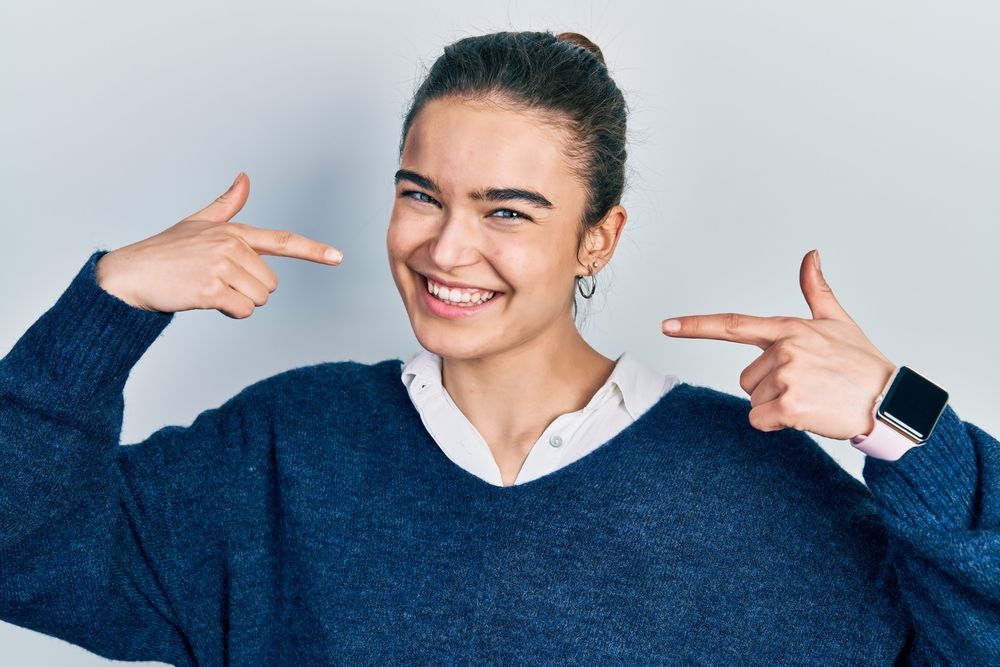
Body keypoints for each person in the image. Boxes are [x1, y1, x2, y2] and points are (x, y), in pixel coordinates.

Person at [0, 30, 996, 666]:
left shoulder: (743, 475)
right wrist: (107, 308)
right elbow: (23, 548)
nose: (445, 247)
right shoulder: (284, 449)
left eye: (506, 210)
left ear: (596, 237)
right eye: (419, 193)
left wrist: (905, 420)